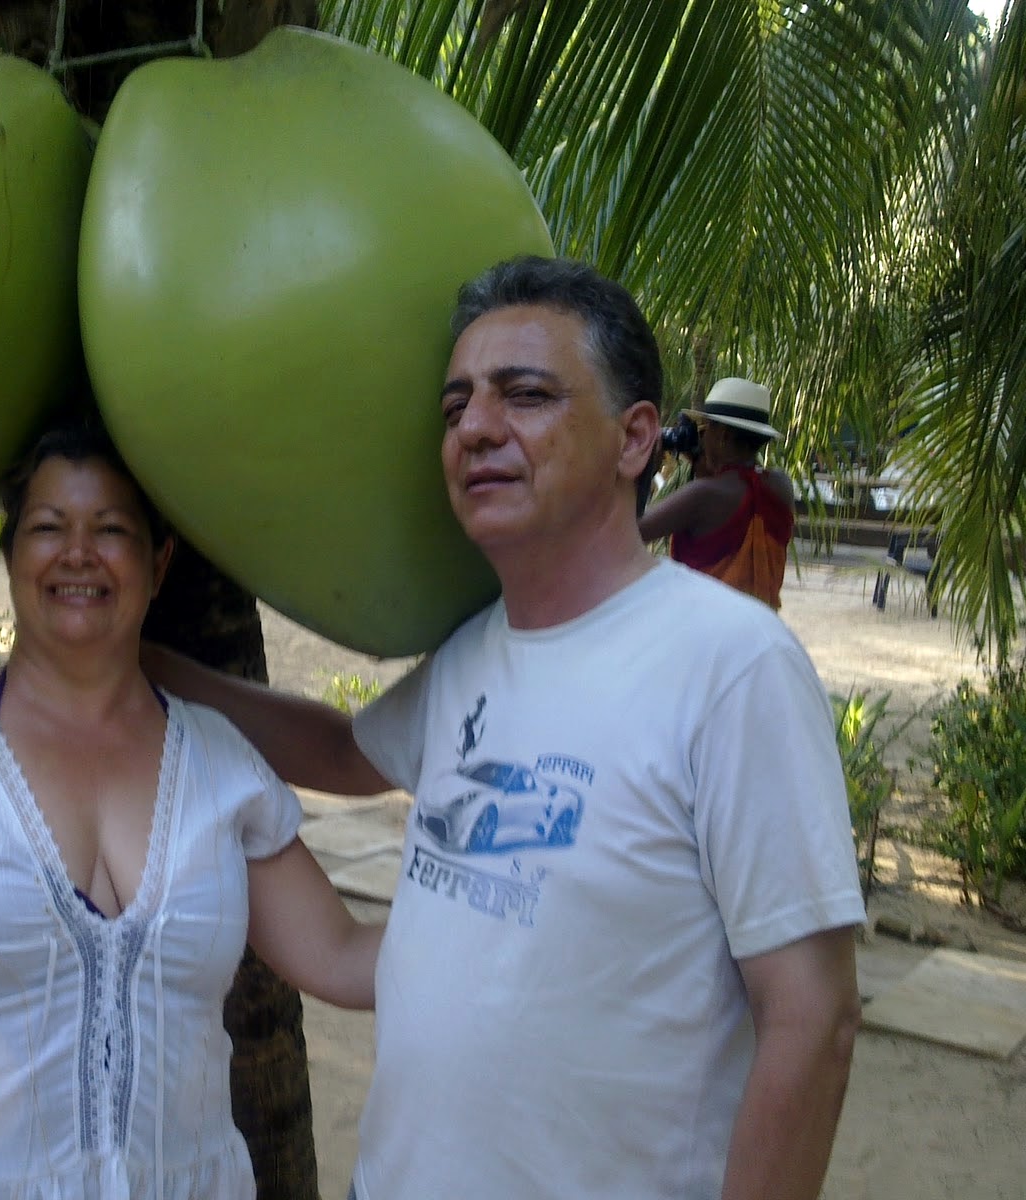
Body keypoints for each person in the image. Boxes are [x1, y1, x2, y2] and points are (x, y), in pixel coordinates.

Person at [144, 256, 864, 1200]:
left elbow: (813, 1018)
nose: (476, 428)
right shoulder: (478, 650)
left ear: (635, 438)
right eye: (457, 407)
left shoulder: (733, 667)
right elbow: (343, 752)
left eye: (525, 395)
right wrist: (146, 672)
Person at [0, 412, 382, 1200]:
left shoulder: (220, 762)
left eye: (111, 530)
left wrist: (516, 912)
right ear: (10, 554)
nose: (78, 553)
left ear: (158, 563)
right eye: (47, 527)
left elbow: (341, 955)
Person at [639, 377, 797, 608]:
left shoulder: (702, 496)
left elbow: (632, 532)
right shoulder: (782, 485)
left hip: (705, 625)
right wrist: (705, 467)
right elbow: (740, 489)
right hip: (760, 623)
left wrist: (647, 470)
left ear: (723, 435)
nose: (702, 437)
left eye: (705, 428)